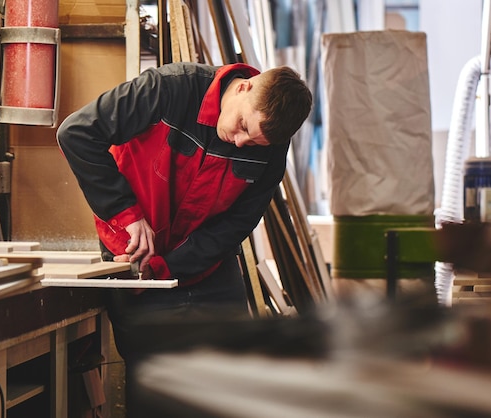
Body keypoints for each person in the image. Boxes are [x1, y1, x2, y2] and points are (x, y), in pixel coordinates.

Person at [56, 62, 312, 410]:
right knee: (155, 385)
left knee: (229, 384)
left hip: (204, 261)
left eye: (253, 141)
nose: (240, 142)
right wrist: (127, 213)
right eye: (241, 127)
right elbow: (77, 133)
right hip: (134, 255)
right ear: (243, 88)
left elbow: (236, 225)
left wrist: (171, 266)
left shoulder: (270, 146)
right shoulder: (167, 90)